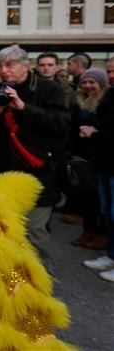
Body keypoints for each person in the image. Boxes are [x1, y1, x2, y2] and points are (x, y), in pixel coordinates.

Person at [0, 45, 70, 264]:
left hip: (40, 171)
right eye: (0, 65)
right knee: (6, 226)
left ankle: (39, 280)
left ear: (25, 65)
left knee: (34, 231)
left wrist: (24, 107)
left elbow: (62, 124)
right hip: (5, 172)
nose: (4, 70)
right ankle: (12, 278)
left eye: (11, 64)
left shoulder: (49, 89)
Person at [68, 69, 109, 251]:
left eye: (92, 82)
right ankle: (88, 230)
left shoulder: (107, 102)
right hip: (81, 155)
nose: (87, 86)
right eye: (85, 82)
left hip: (101, 156)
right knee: (86, 197)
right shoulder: (79, 101)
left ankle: (102, 234)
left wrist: (94, 134)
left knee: (101, 201)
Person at [79, 71, 114, 282]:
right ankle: (111, 255)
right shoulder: (109, 97)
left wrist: (95, 133)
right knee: (107, 211)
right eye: (110, 71)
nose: (112, 75)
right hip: (104, 163)